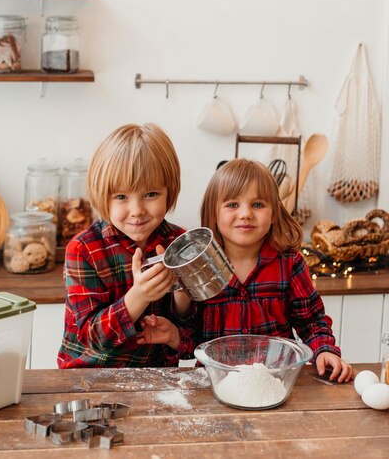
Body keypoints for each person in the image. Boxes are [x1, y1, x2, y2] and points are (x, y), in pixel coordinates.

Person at [138, 158, 353, 383]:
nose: (245, 214)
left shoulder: (289, 263)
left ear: (274, 213)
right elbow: (194, 343)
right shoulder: (201, 266)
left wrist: (325, 350)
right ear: (214, 213)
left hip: (275, 380)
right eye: (232, 205)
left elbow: (311, 321)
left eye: (258, 205)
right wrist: (174, 333)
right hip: (217, 384)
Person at [58, 123, 192, 368]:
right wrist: (139, 296)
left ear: (169, 191)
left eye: (150, 194)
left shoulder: (179, 243)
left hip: (153, 379)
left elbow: (190, 336)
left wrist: (182, 292)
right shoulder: (83, 249)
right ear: (102, 196)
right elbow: (92, 337)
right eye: (121, 196)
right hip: (87, 378)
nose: (137, 210)